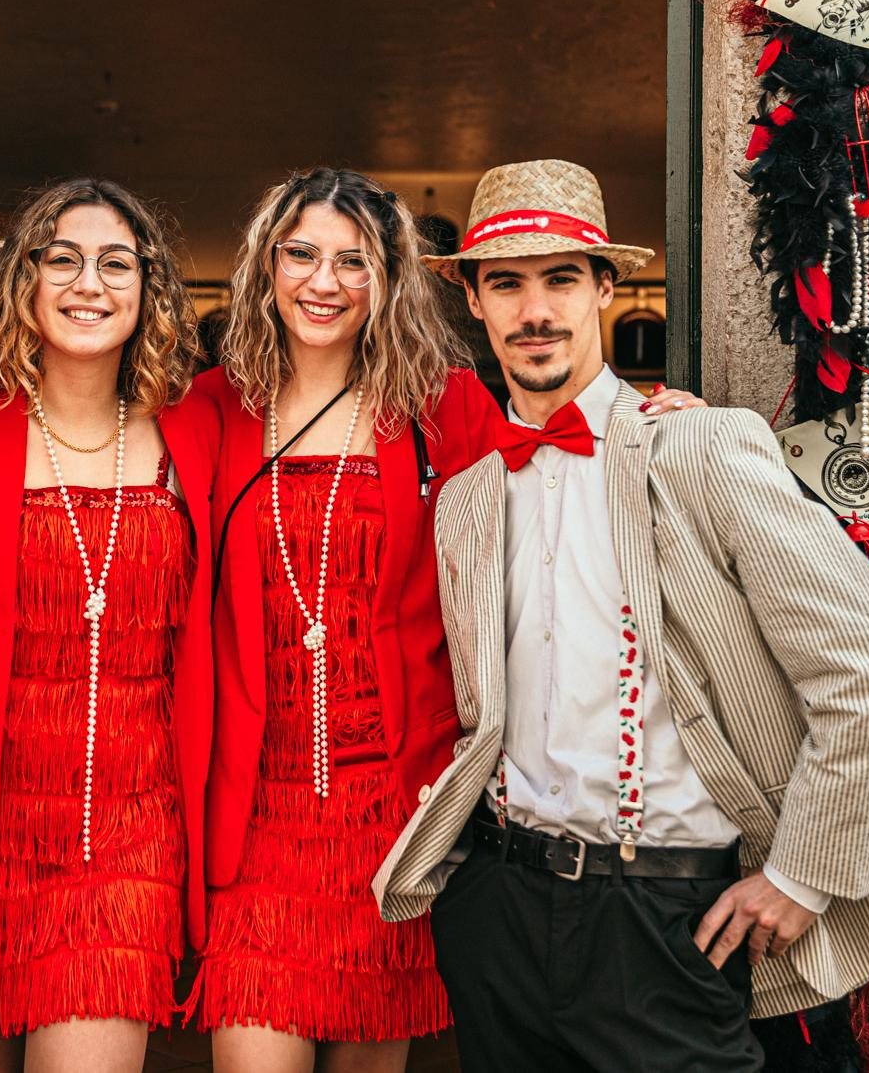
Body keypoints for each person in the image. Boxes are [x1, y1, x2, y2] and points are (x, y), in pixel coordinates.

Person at [374, 159, 869, 1070]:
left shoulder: (701, 448)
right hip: (499, 912)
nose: (536, 310)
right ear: (473, 303)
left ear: (608, 286)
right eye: (506, 282)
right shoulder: (468, 498)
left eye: (562, 277)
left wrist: (801, 873)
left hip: (662, 919)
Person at [188, 169, 502, 1071]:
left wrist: (659, 422)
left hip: (393, 812)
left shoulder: (446, 409)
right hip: (254, 813)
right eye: (301, 254)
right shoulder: (212, 404)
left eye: (353, 261)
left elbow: (553, 501)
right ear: (265, 268)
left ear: (390, 278)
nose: (323, 281)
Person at [0, 180, 218, 1072]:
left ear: (149, 289)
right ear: (25, 277)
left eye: (116, 262)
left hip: (131, 834)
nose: (90, 282)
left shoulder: (198, 428)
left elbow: (358, 417)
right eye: (64, 258)